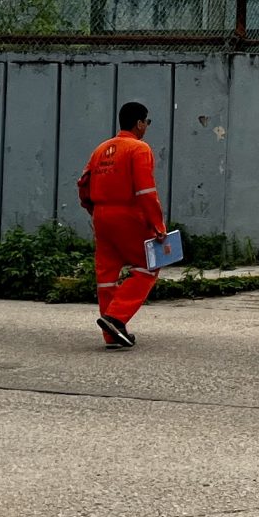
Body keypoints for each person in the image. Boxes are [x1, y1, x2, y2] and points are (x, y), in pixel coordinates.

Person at [76, 99, 167, 348]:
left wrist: (93, 210)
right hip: (128, 215)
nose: (146, 126)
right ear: (139, 123)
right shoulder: (139, 149)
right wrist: (158, 225)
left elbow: (83, 184)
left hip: (102, 216)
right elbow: (146, 191)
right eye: (146, 122)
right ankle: (116, 317)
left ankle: (112, 335)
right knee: (149, 265)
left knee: (106, 275)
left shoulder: (100, 149)